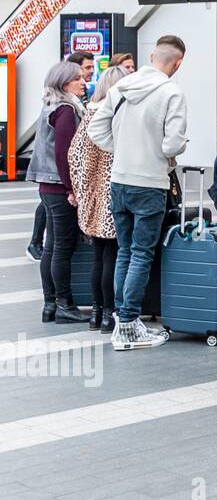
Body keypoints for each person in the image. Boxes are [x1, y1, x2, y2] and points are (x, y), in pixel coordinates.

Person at [88, 35, 189, 352]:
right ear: (177, 63)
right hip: (150, 183)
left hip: (119, 181)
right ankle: (129, 325)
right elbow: (172, 145)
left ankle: (123, 320)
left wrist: (122, 150)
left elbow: (95, 130)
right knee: (142, 254)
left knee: (125, 251)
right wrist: (169, 151)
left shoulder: (120, 88)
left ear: (151, 56)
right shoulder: (172, 92)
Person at [69, 65, 128, 333]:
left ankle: (96, 311)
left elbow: (76, 156)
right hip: (115, 191)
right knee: (114, 255)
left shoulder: (89, 114)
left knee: (99, 255)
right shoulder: (118, 114)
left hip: (93, 195)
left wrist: (81, 192)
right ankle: (110, 313)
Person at [29, 61, 87, 324]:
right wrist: (71, 188)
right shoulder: (65, 110)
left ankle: (50, 304)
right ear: (64, 84)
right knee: (62, 246)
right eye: (77, 78)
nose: (83, 81)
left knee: (52, 246)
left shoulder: (50, 105)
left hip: (47, 185)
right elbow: (65, 154)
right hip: (58, 185)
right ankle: (64, 304)